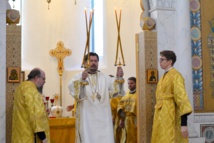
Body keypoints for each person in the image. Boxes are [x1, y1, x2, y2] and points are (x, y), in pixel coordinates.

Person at [68, 52, 125, 143]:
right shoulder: (78, 77)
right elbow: (75, 93)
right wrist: (82, 80)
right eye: (91, 61)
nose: (94, 63)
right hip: (87, 119)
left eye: (96, 61)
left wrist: (119, 78)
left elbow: (116, 91)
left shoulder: (105, 77)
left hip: (104, 120)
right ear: (86, 62)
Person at [151, 50, 192, 143]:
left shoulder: (176, 76)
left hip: (171, 115)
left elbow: (182, 99)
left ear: (170, 61)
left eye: (162, 59)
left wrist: (184, 124)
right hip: (160, 115)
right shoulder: (163, 77)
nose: (160, 62)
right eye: (159, 59)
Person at [11, 68, 50, 143]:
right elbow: (36, 115)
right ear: (36, 78)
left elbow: (26, 110)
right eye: (43, 79)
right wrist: (43, 137)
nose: (44, 82)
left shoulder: (20, 87)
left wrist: (44, 112)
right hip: (30, 136)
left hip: (20, 135)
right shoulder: (32, 91)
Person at [117, 77, 137, 143]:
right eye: (128, 83)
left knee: (134, 138)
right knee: (125, 138)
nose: (130, 85)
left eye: (132, 83)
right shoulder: (126, 95)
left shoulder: (138, 95)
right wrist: (121, 119)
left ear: (136, 84)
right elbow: (120, 106)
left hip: (134, 121)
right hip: (126, 120)